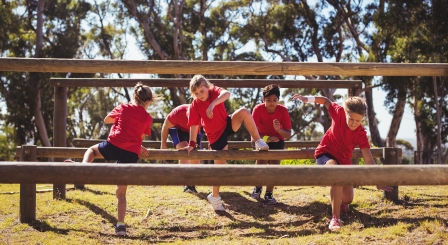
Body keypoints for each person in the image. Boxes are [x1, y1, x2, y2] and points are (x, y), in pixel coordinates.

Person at [292, 94, 393, 231]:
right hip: (325, 153)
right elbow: (326, 100)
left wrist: (376, 180)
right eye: (351, 119)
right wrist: (307, 99)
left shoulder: (361, 133)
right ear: (345, 113)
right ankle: (335, 218)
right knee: (336, 174)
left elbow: (368, 159)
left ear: (362, 119)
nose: (353, 123)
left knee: (348, 199)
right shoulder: (338, 112)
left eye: (358, 120)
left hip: (343, 160)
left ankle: (341, 203)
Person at [80, 82, 160, 236]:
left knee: (91, 150)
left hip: (114, 145)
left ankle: (83, 168)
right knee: (121, 192)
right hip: (130, 153)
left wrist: (119, 118)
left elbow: (106, 119)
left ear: (134, 96)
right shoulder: (147, 118)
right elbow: (140, 139)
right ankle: (121, 226)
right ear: (149, 101)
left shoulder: (123, 107)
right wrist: (137, 145)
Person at [180, 74, 269, 211]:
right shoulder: (195, 105)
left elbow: (227, 94)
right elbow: (193, 125)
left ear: (207, 87)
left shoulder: (214, 91)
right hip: (215, 135)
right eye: (196, 93)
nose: (200, 95)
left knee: (244, 112)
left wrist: (212, 104)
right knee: (221, 167)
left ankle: (258, 140)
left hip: (226, 123)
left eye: (202, 91)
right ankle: (214, 197)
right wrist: (192, 143)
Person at [250, 84, 292, 204]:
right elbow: (253, 133)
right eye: (268, 100)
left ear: (278, 100)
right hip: (259, 138)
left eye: (274, 100)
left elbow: (288, 134)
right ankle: (257, 187)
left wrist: (278, 130)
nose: (272, 103)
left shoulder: (283, 111)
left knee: (274, 163)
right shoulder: (258, 109)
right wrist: (265, 138)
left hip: (278, 140)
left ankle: (269, 193)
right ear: (263, 99)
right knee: (262, 159)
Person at [160, 104, 203, 193]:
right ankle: (186, 183)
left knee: (195, 155)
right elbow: (165, 126)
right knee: (184, 150)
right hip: (178, 128)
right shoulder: (177, 113)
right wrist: (163, 144)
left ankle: (192, 184)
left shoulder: (203, 115)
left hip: (195, 130)